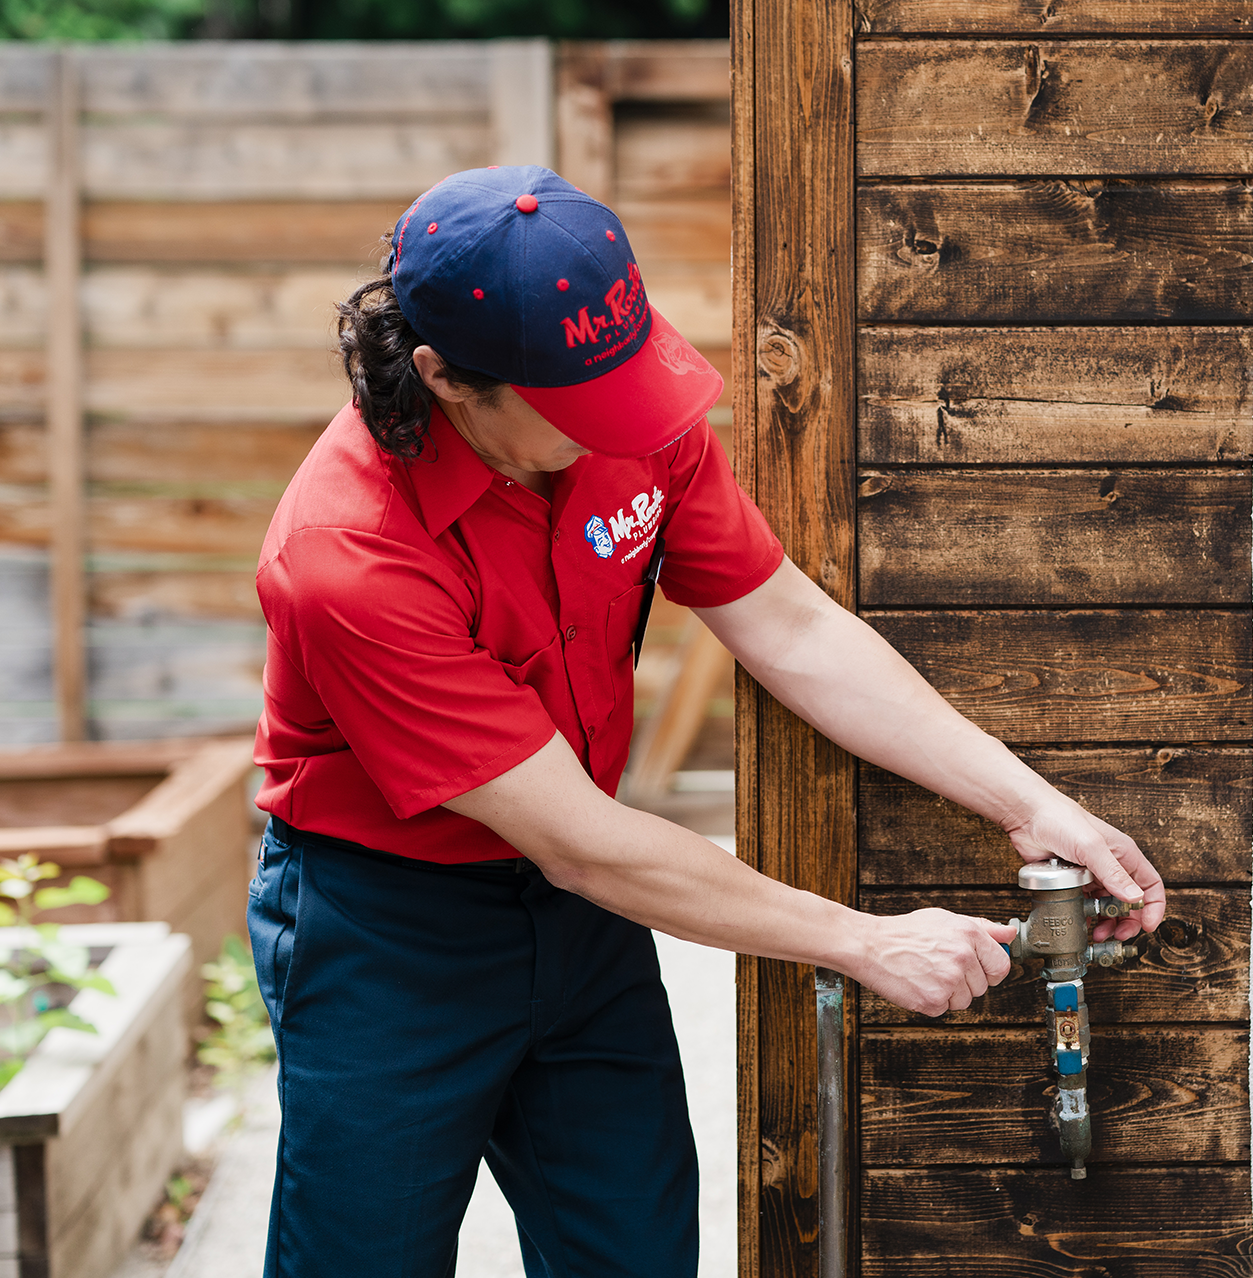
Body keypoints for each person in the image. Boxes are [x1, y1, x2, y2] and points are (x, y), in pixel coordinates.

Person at [247, 166, 1164, 1278]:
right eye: (575, 410)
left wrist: (1029, 803)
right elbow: (579, 839)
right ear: (442, 377)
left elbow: (788, 627)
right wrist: (865, 941)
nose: (616, 427)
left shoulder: (625, 411)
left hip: (582, 923)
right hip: (387, 934)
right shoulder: (345, 556)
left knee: (634, 1254)